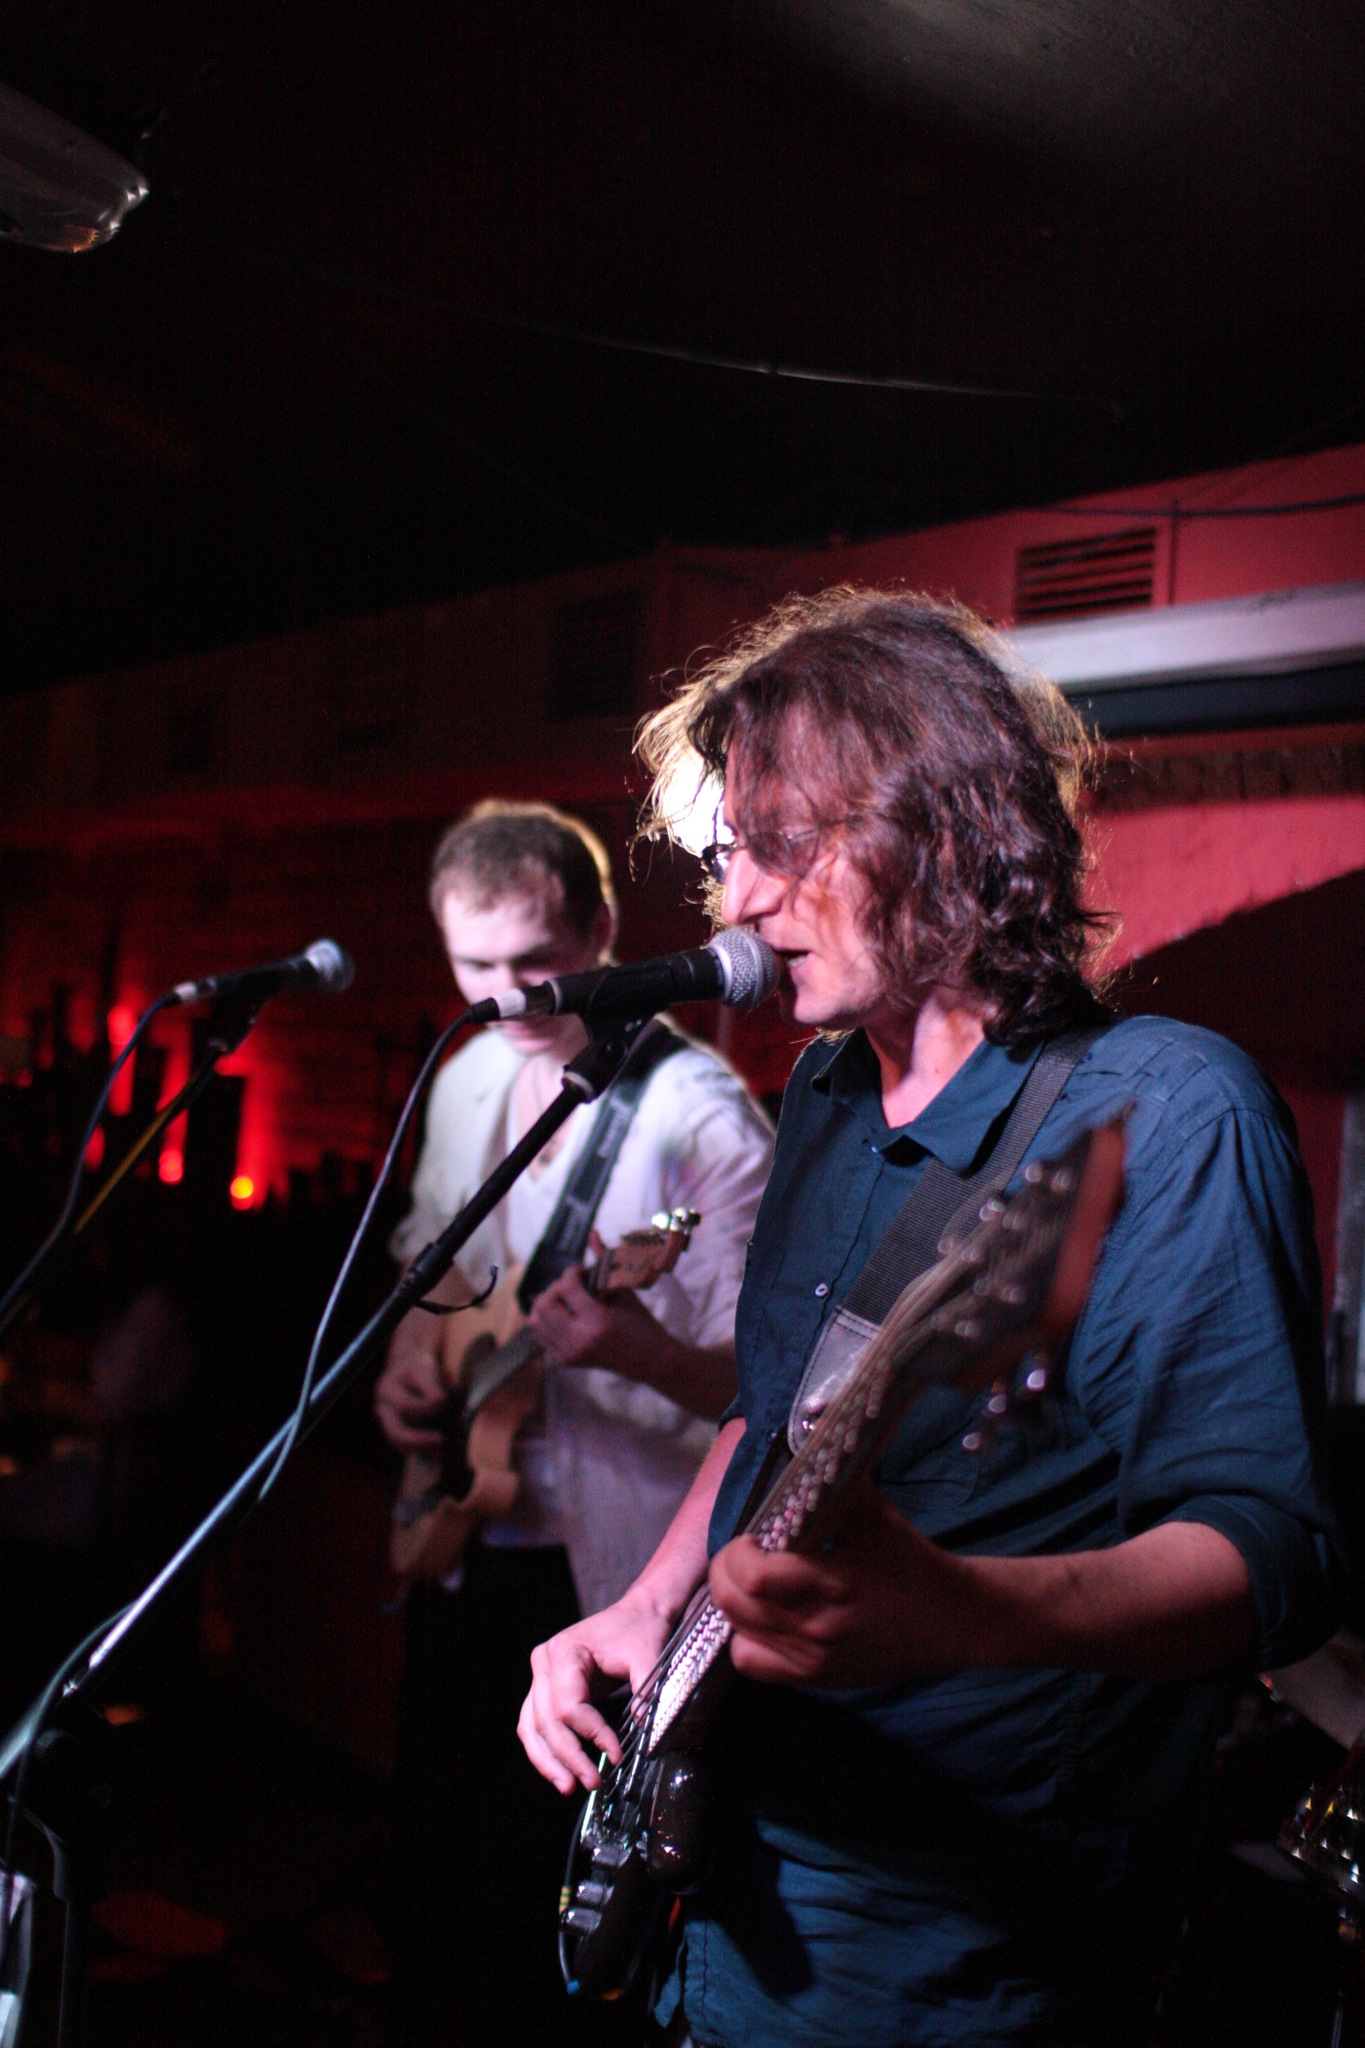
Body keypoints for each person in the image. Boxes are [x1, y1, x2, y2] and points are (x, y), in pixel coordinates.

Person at [518, 592, 1345, 2048]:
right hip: (729, 1879)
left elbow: (1264, 1553)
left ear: (943, 830)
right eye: (725, 854)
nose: (737, 905)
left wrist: (958, 1610)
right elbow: (770, 1413)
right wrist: (653, 1601)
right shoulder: (826, 1089)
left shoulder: (1166, 1112)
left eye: (780, 845)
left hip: (960, 1953)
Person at [374, 799, 774, 2048]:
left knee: (545, 1930)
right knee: (433, 1871)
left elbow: (775, 1398)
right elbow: (437, 1261)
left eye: (534, 960)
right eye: (474, 966)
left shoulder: (702, 1119)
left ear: (602, 930)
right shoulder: (468, 1075)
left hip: (609, 1575)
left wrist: (637, 1348)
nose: (505, 996)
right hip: (465, 1535)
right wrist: (407, 1361)